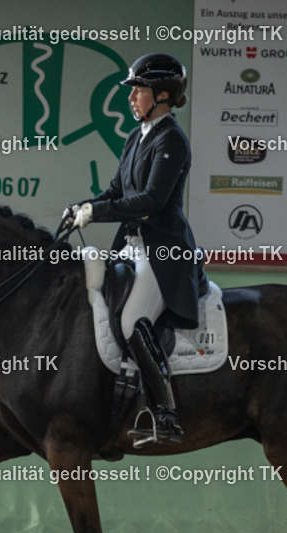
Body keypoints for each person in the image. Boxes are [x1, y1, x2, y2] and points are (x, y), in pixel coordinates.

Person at [65, 53, 207, 446]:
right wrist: (82, 206)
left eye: (139, 90)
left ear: (163, 95)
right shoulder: (137, 136)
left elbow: (150, 200)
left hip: (162, 254)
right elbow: (116, 191)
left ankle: (165, 414)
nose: (132, 97)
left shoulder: (172, 140)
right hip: (130, 247)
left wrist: (98, 212)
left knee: (131, 324)